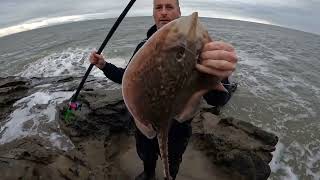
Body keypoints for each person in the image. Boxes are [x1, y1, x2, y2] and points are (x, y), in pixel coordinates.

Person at [89, 0, 238, 179]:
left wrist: (220, 75)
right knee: (146, 154)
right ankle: (149, 173)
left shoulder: (200, 50)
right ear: (153, 13)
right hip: (147, 121)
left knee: (173, 160)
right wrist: (104, 65)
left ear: (179, 11)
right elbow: (127, 78)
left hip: (179, 126)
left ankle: (170, 176)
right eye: (158, 8)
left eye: (169, 7)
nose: (164, 12)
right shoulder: (143, 48)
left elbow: (218, 100)